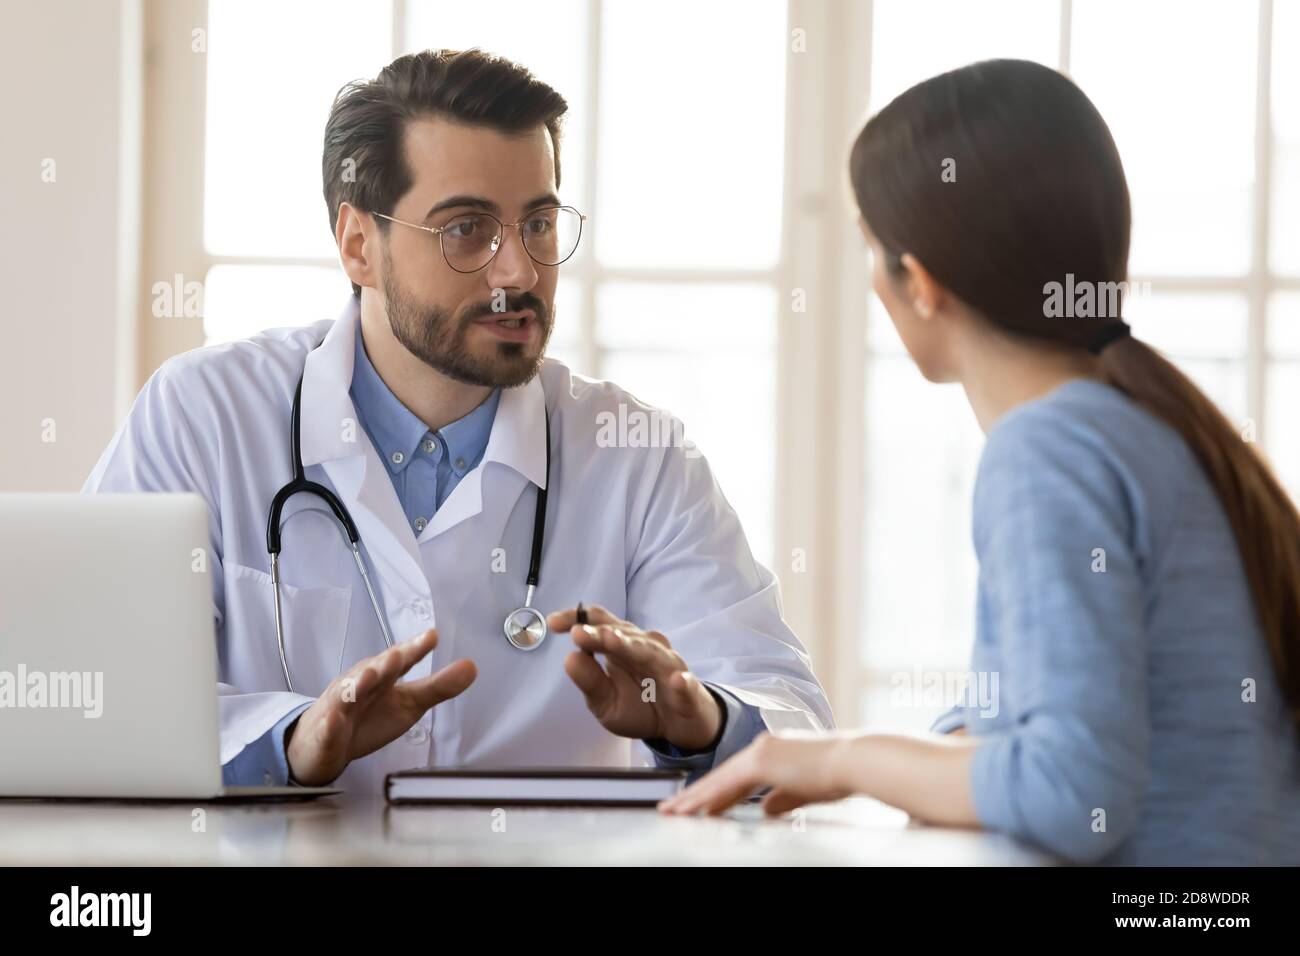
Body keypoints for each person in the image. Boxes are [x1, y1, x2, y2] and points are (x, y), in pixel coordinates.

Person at [85, 48, 831, 793]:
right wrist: (286, 738)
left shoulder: (638, 456)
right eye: (467, 229)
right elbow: (93, 693)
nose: (519, 272)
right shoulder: (202, 417)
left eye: (538, 223)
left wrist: (700, 720)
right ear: (357, 245)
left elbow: (792, 717)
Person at [660, 58, 1300, 866]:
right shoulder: (1152, 427)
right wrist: (963, 737)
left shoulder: (1046, 455)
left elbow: (1074, 795)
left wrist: (841, 757)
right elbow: (1096, 723)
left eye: (872, 249)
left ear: (919, 282)